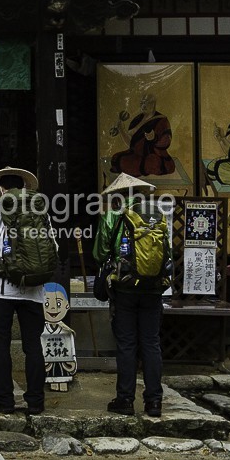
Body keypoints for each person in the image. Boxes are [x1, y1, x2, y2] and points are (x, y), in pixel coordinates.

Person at [92, 172, 171, 417]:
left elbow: (99, 254)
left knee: (126, 344)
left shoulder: (113, 215)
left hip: (125, 288)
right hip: (154, 288)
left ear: (119, 195)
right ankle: (154, 402)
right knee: (151, 343)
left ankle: (125, 399)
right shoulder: (157, 216)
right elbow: (167, 252)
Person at [0, 166, 46, 415]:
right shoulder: (39, 209)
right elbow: (51, 248)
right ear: (24, 185)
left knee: (1, 345)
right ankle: (36, 401)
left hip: (0, 289)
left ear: (0, 187)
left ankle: (4, 400)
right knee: (33, 345)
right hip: (33, 289)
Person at [109, 92, 174, 177]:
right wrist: (122, 130)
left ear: (153, 104)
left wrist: (154, 138)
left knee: (152, 163)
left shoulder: (162, 120)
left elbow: (167, 141)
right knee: (116, 158)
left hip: (153, 155)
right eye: (142, 103)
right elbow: (131, 143)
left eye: (146, 102)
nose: (143, 105)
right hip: (136, 154)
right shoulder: (137, 119)